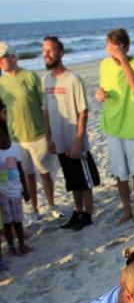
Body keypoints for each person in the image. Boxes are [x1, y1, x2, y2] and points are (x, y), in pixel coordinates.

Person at [42, 36, 100, 231]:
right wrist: (48, 136)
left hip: (75, 140)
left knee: (84, 179)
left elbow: (83, 111)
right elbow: (46, 111)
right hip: (58, 140)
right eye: (44, 51)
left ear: (61, 52)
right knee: (71, 180)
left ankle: (87, 214)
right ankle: (77, 211)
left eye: (50, 50)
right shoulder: (46, 79)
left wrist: (77, 140)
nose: (47, 55)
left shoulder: (73, 79)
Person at [0, 41, 62, 223]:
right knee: (27, 176)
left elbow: (44, 106)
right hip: (17, 138)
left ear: (13, 57)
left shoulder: (30, 76)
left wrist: (49, 133)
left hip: (38, 134)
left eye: (3, 58)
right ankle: (34, 209)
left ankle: (51, 206)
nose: (0, 62)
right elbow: (2, 109)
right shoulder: (1, 83)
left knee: (44, 173)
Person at [96, 29, 134, 224]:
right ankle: (126, 210)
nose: (110, 51)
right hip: (112, 126)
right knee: (120, 173)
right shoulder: (104, 64)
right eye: (108, 46)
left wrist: (122, 59)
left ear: (125, 47)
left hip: (133, 126)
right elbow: (104, 89)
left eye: (114, 47)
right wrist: (101, 94)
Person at [0, 116, 33, 257]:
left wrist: (26, 190)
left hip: (16, 191)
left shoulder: (14, 148)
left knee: (18, 219)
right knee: (7, 222)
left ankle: (22, 244)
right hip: (2, 193)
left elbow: (21, 170)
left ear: (7, 134)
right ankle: (12, 246)